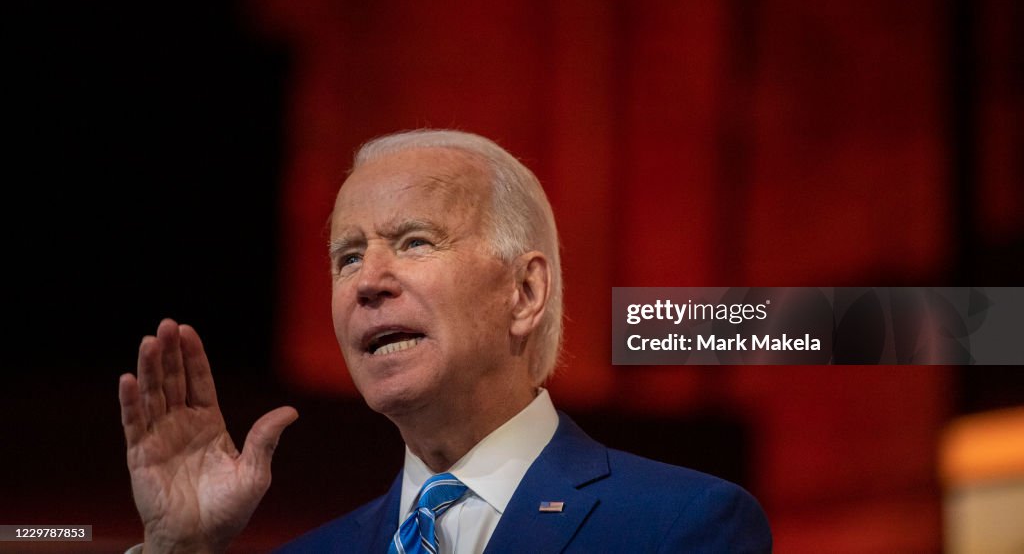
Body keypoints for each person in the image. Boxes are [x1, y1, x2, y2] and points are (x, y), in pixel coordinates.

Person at [119, 129, 772, 553]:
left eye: (413, 242)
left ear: (524, 291)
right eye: (347, 257)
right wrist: (175, 548)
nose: (367, 282)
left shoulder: (680, 525)